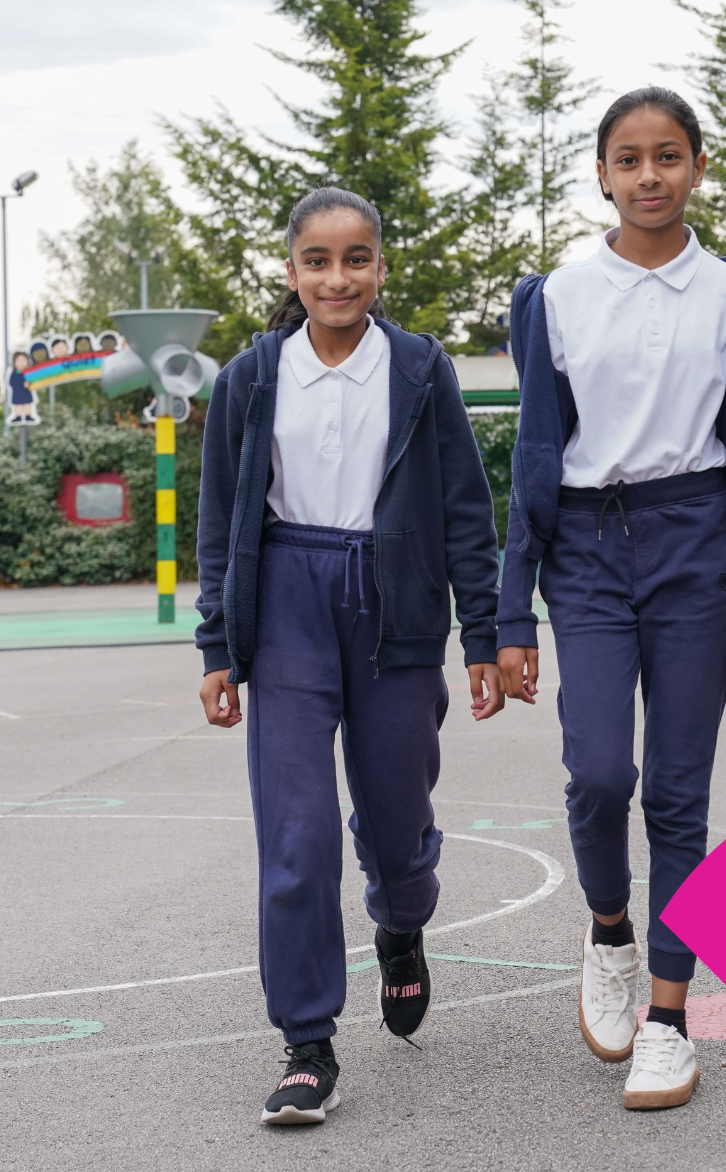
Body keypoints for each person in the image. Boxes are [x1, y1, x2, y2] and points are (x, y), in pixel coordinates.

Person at [498, 86, 726, 1110]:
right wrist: (512, 610)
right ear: (602, 174)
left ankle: (668, 1019)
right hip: (585, 546)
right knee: (598, 773)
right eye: (629, 158)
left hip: (696, 541)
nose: (649, 175)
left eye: (668, 155)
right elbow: (537, 453)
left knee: (674, 788)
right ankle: (610, 931)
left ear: (698, 167)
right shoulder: (556, 296)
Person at [194, 186, 505, 1126]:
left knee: (399, 827)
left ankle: (401, 925)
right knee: (296, 838)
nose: (338, 277)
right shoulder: (252, 378)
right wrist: (217, 644)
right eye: (318, 260)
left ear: (380, 267)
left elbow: (464, 509)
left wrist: (483, 634)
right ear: (291, 271)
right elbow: (221, 519)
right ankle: (307, 1043)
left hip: (393, 603)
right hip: (287, 603)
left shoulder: (418, 368)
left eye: (356, 258)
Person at [7, 351, 37, 423]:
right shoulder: (14, 374)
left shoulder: (29, 373)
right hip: (17, 393)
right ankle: (18, 416)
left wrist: (29, 384)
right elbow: (11, 383)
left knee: (27, 404)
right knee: (18, 405)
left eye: (23, 359)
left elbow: (34, 381)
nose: (21, 362)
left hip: (26, 392)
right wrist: (21, 385)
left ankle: (28, 415)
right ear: (14, 362)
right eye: (18, 360)